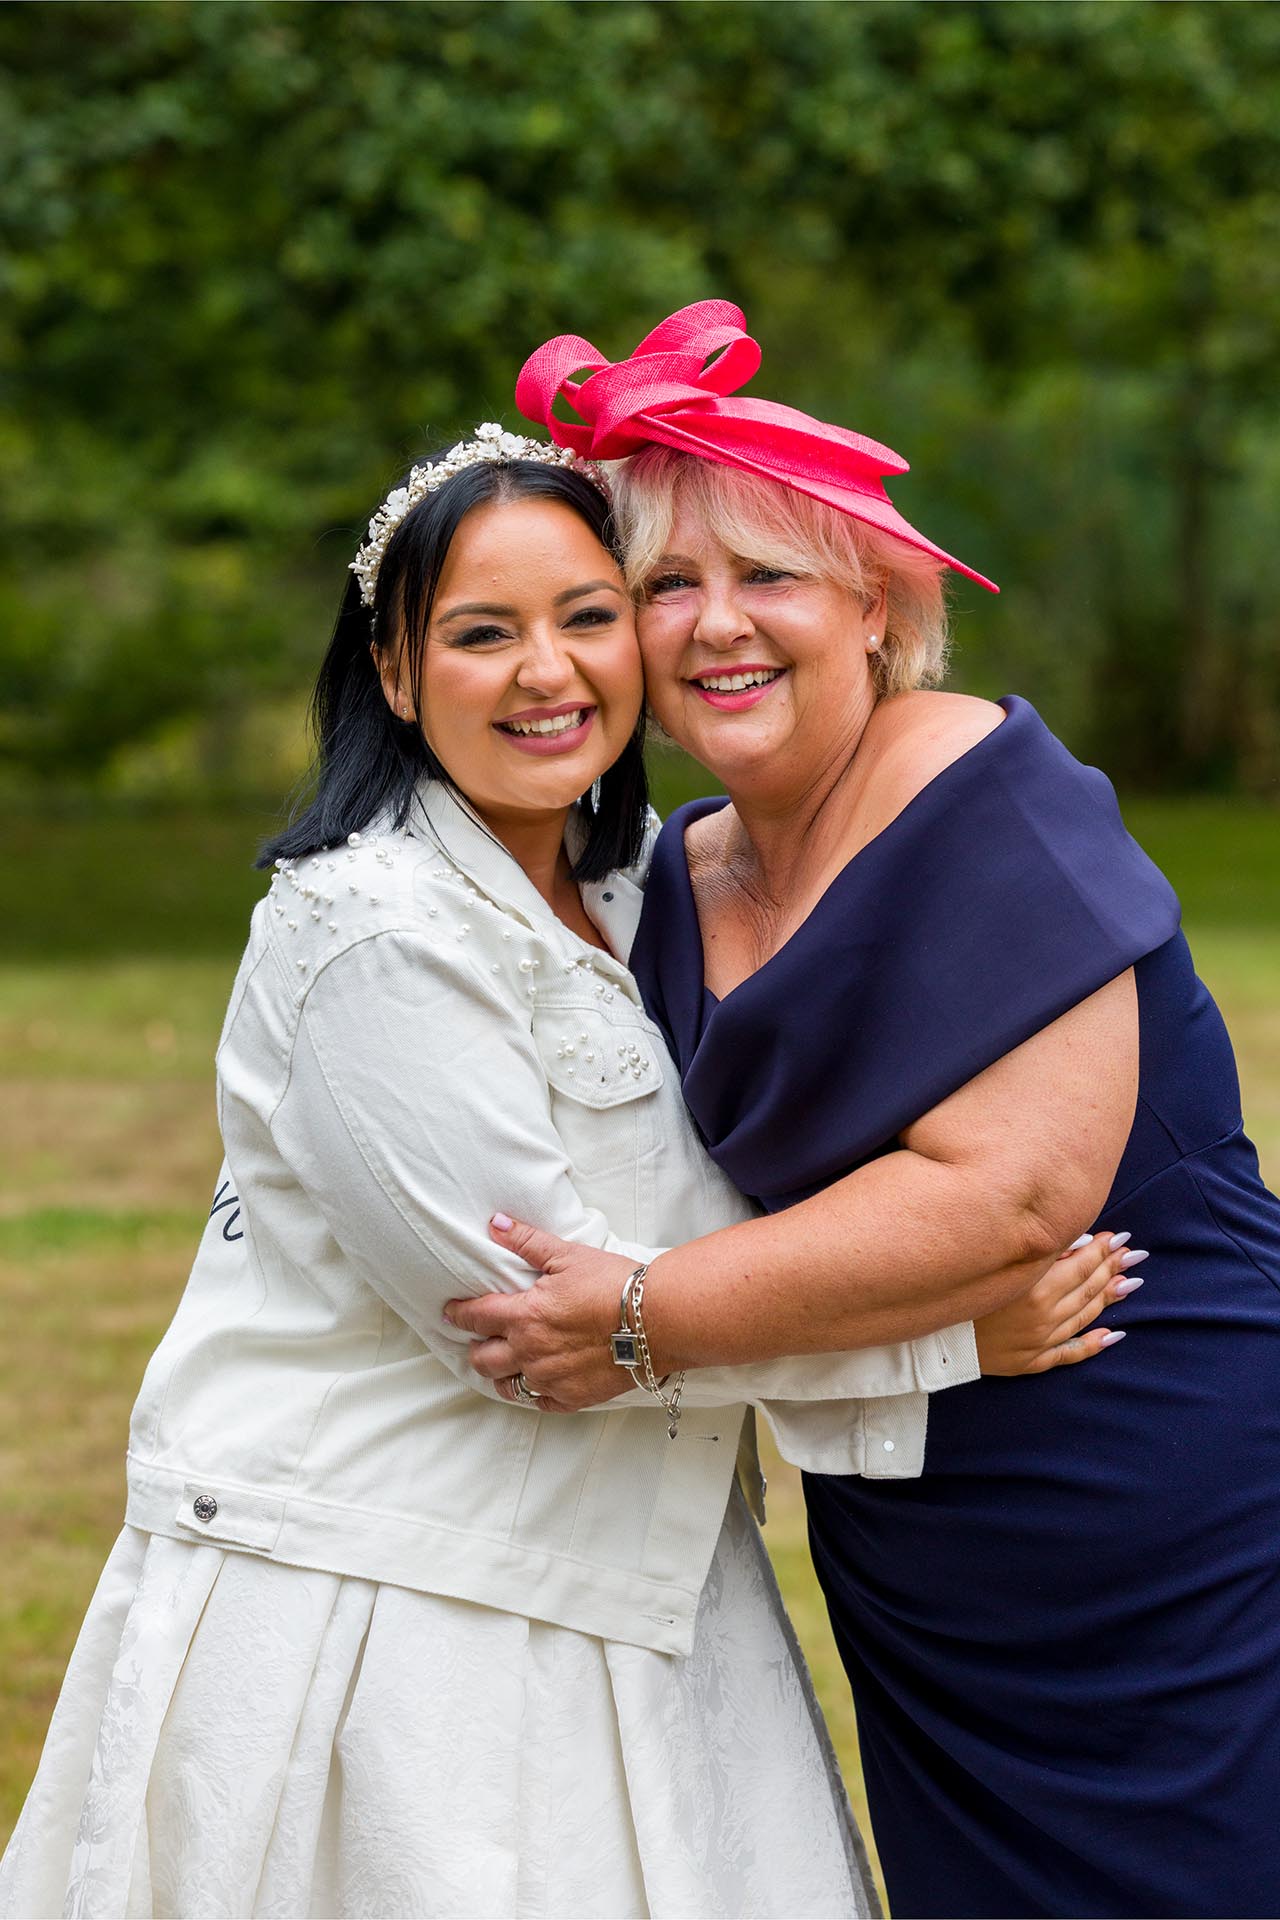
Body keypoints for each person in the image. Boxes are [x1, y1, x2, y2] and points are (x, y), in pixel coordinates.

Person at [0, 426, 1127, 1920]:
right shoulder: (370, 932)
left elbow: (664, 1278)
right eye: (482, 635)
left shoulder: (650, 885)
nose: (548, 671)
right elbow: (537, 1329)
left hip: (639, 1585)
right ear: (395, 673)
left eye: (588, 616)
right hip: (408, 1615)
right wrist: (943, 1335)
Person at [447, 303, 1280, 1920]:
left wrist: (642, 1318)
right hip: (915, 1546)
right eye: (664, 587)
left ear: (876, 608)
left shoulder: (981, 789)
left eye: (770, 577)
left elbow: (1010, 1200)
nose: (717, 626)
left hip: (1167, 1495)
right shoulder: (666, 884)